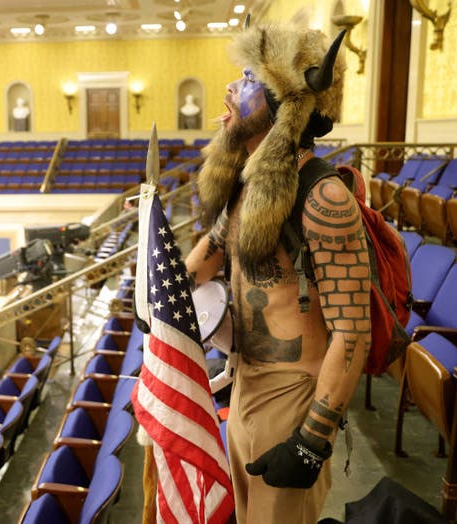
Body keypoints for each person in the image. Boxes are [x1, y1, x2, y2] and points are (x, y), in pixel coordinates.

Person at [184, 23, 366, 524]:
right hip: (243, 382)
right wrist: (166, 300)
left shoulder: (325, 198)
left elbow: (352, 332)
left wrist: (313, 439)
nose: (229, 88)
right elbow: (215, 247)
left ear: (283, 97)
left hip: (293, 397)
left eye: (246, 77)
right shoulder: (251, 183)